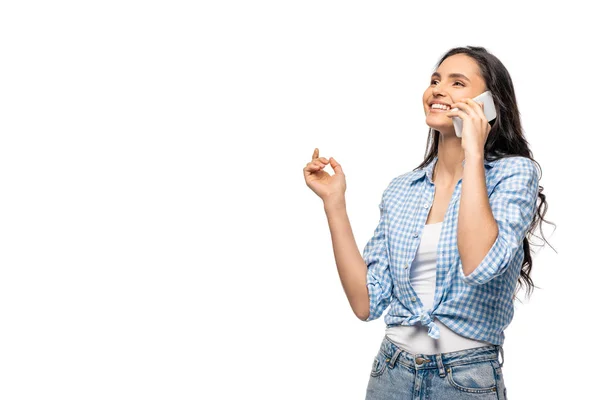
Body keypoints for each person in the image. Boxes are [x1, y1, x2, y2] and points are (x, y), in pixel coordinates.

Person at [303, 46, 552, 399]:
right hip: (391, 373)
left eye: (457, 82)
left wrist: (474, 151)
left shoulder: (512, 174)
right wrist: (334, 204)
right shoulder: (402, 189)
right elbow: (366, 303)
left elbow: (480, 264)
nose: (437, 89)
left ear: (488, 104)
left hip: (466, 379)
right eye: (435, 80)